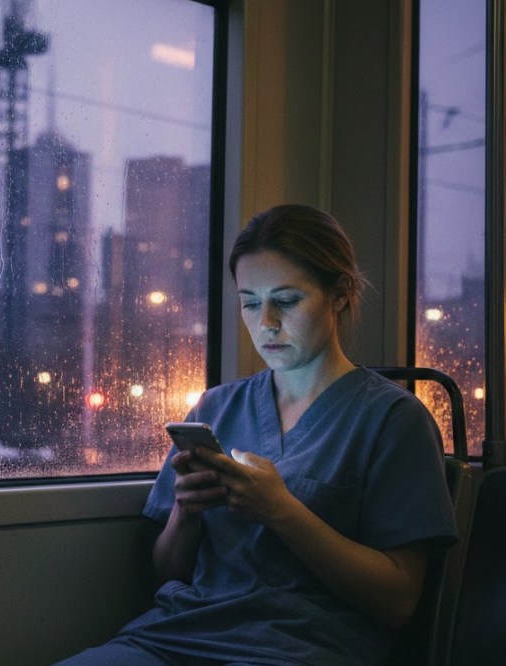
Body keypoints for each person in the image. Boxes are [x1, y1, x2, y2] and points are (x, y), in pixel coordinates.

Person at [55, 204, 458, 665]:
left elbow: (398, 602)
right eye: (250, 302)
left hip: (301, 649)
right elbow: (168, 575)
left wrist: (282, 511)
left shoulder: (391, 420)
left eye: (286, 301)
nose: (265, 322)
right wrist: (185, 513)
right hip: (175, 637)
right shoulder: (217, 408)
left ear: (341, 294)